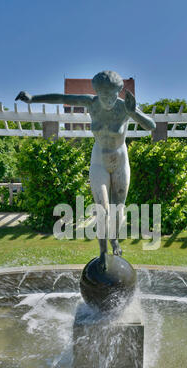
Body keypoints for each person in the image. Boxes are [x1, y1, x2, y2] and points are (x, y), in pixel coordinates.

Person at [16, 71, 156, 270]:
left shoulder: (125, 106)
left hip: (120, 161)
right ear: (96, 92)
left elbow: (151, 126)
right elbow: (62, 98)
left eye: (111, 95)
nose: (107, 100)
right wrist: (32, 99)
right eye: (103, 95)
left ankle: (114, 240)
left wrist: (134, 113)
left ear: (119, 91)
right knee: (103, 209)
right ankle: (102, 252)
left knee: (118, 209)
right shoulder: (91, 103)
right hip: (99, 161)